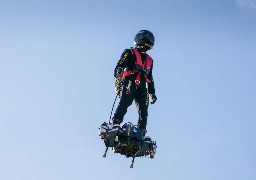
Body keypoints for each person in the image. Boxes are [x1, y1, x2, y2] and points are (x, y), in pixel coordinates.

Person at [112, 30, 157, 136]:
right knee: (125, 102)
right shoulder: (130, 52)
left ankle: (142, 131)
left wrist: (152, 93)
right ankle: (116, 123)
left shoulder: (150, 60)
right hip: (130, 82)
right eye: (145, 41)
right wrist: (118, 70)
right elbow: (120, 64)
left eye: (148, 43)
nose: (146, 44)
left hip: (142, 87)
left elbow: (150, 78)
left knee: (144, 110)